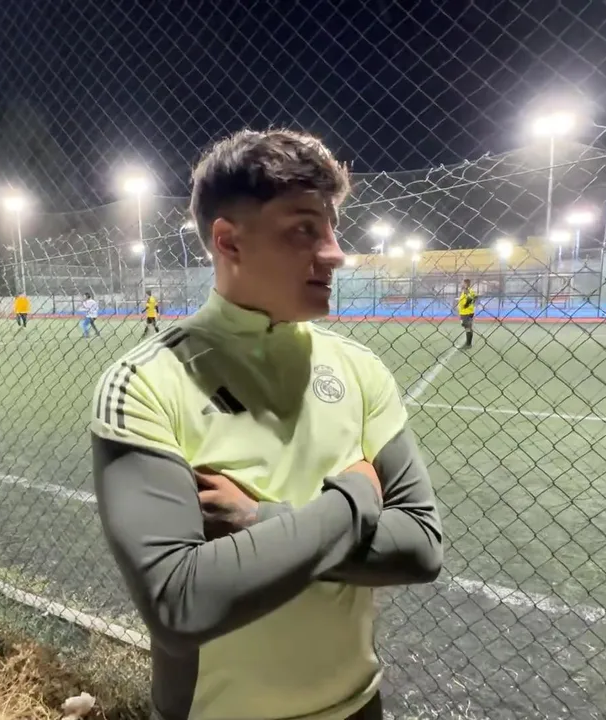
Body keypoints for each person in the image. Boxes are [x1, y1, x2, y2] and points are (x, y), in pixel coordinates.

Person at [91, 129, 442, 720]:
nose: (335, 253)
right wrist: (358, 498)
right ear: (228, 241)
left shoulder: (360, 371)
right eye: (304, 229)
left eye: (332, 228)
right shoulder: (145, 382)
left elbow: (420, 546)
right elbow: (180, 602)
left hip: (359, 707)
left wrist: (260, 520)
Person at [456, 278, 477, 349]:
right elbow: (475, 297)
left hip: (466, 312)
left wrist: (466, 304)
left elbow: (471, 298)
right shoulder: (468, 291)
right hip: (467, 312)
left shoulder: (467, 291)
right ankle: (468, 343)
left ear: (465, 283)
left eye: (462, 283)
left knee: (467, 327)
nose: (461, 284)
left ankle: (468, 344)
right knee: (467, 327)